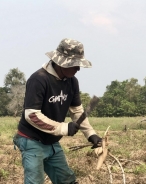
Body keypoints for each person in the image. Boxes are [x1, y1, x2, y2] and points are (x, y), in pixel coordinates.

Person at [13, 38, 102, 184]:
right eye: (74, 65)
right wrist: (63, 128)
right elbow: (32, 115)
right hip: (32, 140)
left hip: (51, 141)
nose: (78, 69)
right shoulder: (39, 79)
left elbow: (77, 111)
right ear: (61, 62)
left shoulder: (72, 81)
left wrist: (91, 134)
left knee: (67, 181)